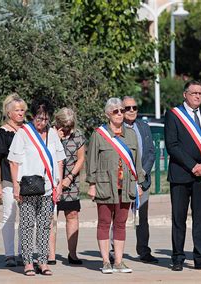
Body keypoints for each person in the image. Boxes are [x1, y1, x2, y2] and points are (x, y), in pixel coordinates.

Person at [164, 80, 201, 272]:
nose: (197, 96)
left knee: (200, 218)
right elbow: (172, 145)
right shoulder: (174, 115)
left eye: (200, 93)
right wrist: (192, 165)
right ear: (185, 94)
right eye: (194, 93)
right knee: (179, 219)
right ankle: (178, 257)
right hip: (180, 174)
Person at [8, 97, 65, 276]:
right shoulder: (23, 133)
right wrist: (16, 188)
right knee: (26, 225)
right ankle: (27, 262)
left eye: (46, 119)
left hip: (48, 187)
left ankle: (42, 261)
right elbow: (13, 162)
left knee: (44, 225)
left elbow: (60, 159)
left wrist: (60, 184)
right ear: (32, 116)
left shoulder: (53, 133)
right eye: (39, 118)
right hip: (28, 187)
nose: (42, 122)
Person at [86, 97, 144, 274]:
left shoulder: (132, 135)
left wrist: (139, 183)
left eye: (121, 110)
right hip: (104, 185)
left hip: (126, 186)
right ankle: (105, 261)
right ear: (107, 114)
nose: (120, 114)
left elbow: (137, 162)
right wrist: (92, 184)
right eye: (115, 111)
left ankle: (119, 261)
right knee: (104, 223)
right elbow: (91, 162)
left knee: (120, 223)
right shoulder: (98, 134)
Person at [0, 94, 27, 267]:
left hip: (28, 181)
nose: (21, 113)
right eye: (17, 110)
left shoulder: (28, 131)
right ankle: (9, 254)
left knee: (27, 217)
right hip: (8, 181)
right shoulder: (1, 133)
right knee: (9, 216)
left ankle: (23, 253)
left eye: (23, 110)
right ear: (9, 113)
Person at [48, 108, 86, 265]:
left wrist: (69, 177)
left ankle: (73, 254)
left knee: (72, 216)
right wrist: (55, 138)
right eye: (64, 126)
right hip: (51, 182)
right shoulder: (48, 134)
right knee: (51, 218)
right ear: (57, 123)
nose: (68, 129)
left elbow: (81, 158)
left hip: (71, 183)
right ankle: (50, 255)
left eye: (70, 126)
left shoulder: (78, 135)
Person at [122, 96, 157, 264]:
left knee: (142, 218)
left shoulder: (143, 126)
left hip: (142, 181)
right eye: (127, 108)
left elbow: (151, 152)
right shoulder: (116, 128)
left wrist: (141, 176)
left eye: (134, 107)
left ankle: (144, 250)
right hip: (122, 181)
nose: (131, 111)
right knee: (119, 217)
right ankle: (115, 252)